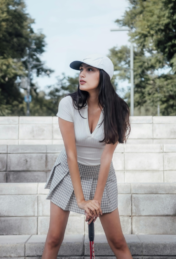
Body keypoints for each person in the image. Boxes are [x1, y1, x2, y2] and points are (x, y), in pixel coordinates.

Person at [42, 54, 132, 259]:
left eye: (89, 70)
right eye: (81, 69)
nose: (82, 74)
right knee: (53, 239)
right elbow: (71, 154)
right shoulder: (68, 104)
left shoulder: (119, 109)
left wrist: (97, 201)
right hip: (68, 172)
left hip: (102, 175)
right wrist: (82, 200)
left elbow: (106, 158)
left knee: (118, 242)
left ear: (104, 76)